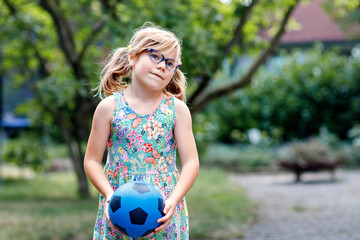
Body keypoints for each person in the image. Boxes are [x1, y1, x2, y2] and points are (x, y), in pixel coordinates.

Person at [84, 24, 199, 240]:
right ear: (133, 57)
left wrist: (174, 200)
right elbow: (91, 160)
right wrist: (110, 196)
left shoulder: (176, 110)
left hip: (163, 211)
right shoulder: (109, 108)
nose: (162, 66)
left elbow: (191, 162)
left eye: (170, 63)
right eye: (155, 56)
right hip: (118, 211)